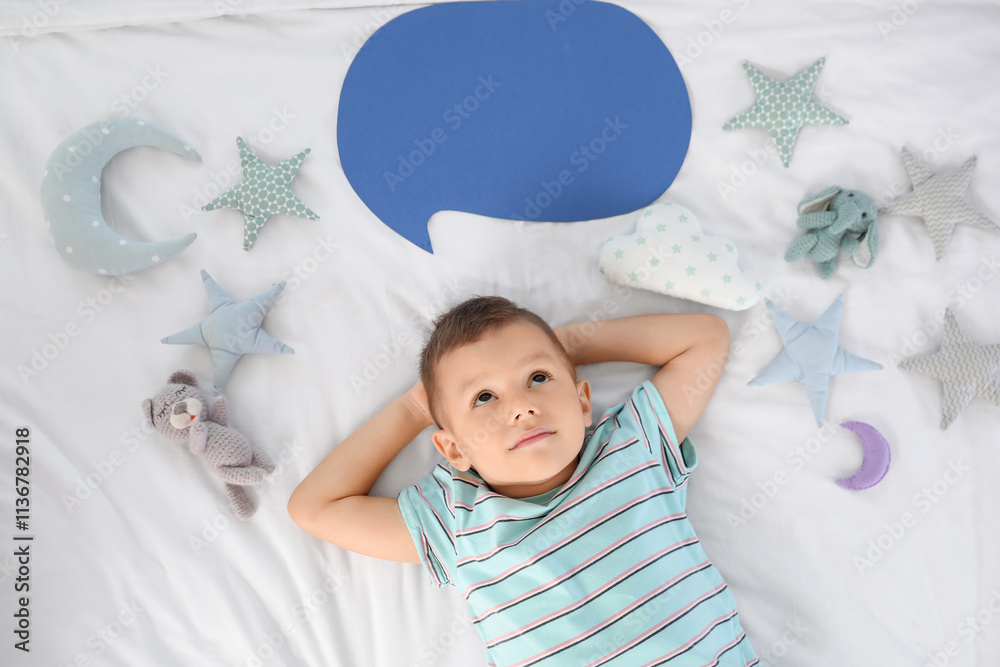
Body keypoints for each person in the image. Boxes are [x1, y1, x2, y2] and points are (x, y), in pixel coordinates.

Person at [288, 295, 759, 666]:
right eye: (484, 396)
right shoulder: (458, 521)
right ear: (454, 450)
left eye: (537, 377)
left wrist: (565, 345)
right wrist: (414, 409)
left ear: (581, 402)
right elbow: (314, 507)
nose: (520, 406)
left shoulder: (630, 447)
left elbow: (705, 337)